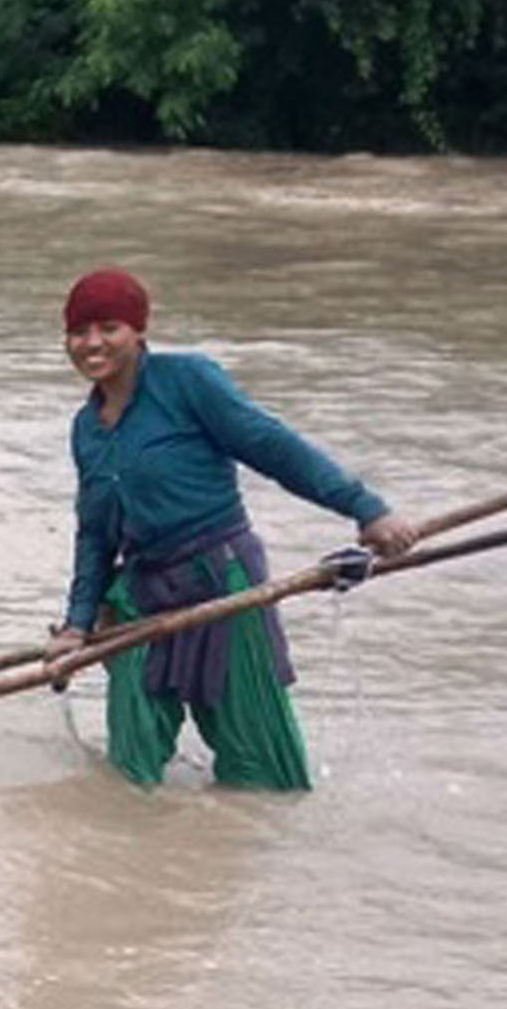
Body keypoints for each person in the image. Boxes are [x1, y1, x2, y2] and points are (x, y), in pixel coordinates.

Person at [42, 269, 416, 790]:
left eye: (109, 327)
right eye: (79, 332)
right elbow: (95, 536)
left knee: (264, 776)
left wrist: (366, 509)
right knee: (129, 775)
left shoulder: (189, 382)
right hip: (141, 597)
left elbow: (274, 448)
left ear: (138, 332)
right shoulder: (87, 428)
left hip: (221, 581)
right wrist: (77, 627)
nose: (92, 344)